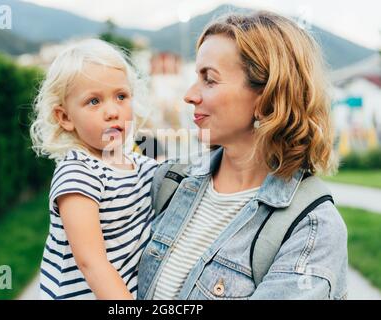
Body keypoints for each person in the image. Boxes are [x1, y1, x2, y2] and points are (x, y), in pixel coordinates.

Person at [137, 11, 348, 300]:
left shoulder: (313, 230)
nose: (189, 95)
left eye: (209, 80)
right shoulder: (170, 180)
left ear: (267, 98)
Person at [30, 39, 158, 299]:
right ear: (65, 117)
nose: (112, 111)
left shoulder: (141, 165)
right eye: (94, 101)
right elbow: (92, 263)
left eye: (121, 96)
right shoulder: (78, 172)